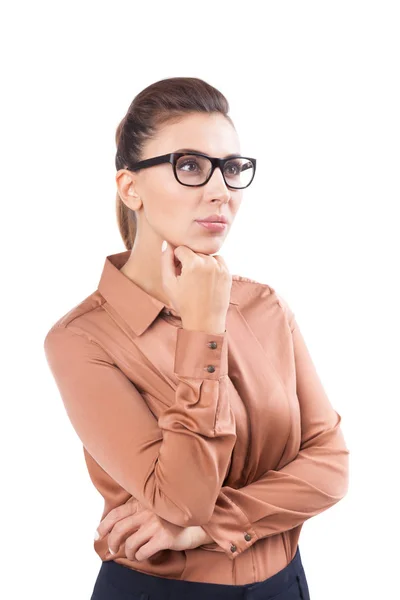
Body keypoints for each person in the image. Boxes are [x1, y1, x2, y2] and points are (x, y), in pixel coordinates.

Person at [43, 76, 349, 600]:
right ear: (129, 187)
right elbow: (180, 499)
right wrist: (203, 330)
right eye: (189, 166)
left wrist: (208, 528)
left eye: (231, 169)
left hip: (286, 585)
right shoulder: (82, 340)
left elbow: (330, 464)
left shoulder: (265, 306)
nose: (220, 190)